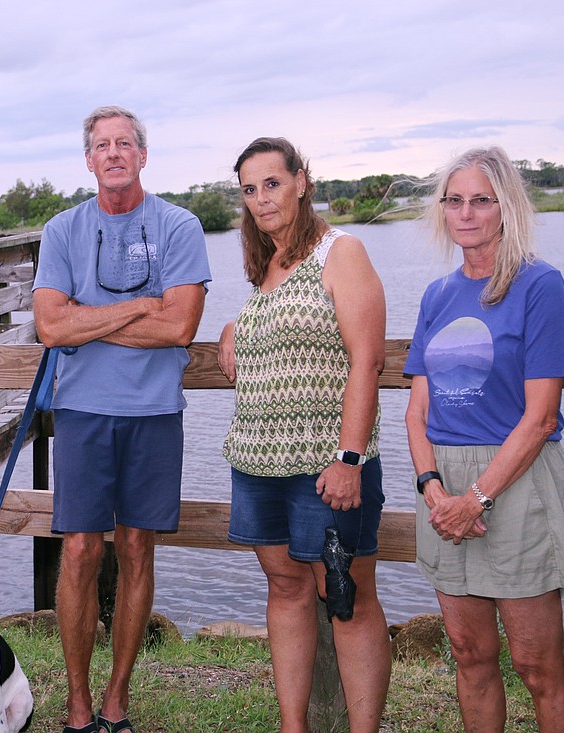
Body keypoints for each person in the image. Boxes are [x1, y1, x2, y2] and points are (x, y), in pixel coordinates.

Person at [32, 105, 211, 733]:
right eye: (102, 145)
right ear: (88, 159)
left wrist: (91, 317)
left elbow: (182, 326)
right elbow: (50, 326)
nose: (113, 153)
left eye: (125, 144)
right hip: (81, 412)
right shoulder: (62, 231)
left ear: (142, 155)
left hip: (154, 411)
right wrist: (141, 306)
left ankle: (117, 697)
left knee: (137, 548)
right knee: (80, 551)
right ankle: (78, 705)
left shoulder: (180, 226)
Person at [404, 146, 564, 732]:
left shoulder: (539, 285)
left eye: (481, 200)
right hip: (442, 488)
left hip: (513, 480)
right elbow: (417, 410)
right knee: (470, 657)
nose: (466, 213)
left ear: (505, 207)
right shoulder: (437, 296)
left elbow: (539, 418)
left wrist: (476, 499)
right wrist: (435, 490)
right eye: (454, 200)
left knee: (539, 667)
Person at [217, 137, 391, 733]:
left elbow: (367, 361)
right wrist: (238, 325)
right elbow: (291, 321)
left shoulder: (342, 251)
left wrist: (348, 458)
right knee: (286, 587)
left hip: (327, 469)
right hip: (258, 463)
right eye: (248, 189)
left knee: (347, 600)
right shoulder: (268, 265)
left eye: (271, 183)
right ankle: (294, 726)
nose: (261, 198)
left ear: (301, 181)